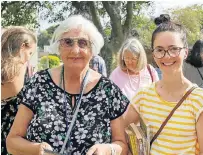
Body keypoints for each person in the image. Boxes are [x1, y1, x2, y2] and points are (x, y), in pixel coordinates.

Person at [6, 15, 129, 155]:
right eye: (68, 42)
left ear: (92, 49)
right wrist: (36, 149)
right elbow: (12, 142)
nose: (75, 50)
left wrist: (107, 150)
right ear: (59, 47)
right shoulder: (38, 83)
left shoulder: (108, 90)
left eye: (83, 43)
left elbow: (122, 145)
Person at [124, 15, 203, 154]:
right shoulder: (143, 96)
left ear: (185, 52)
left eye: (173, 49)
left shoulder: (200, 100)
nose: (167, 56)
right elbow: (121, 133)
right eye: (159, 50)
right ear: (153, 55)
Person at [1, 26, 37, 155]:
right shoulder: (18, 67)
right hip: (12, 126)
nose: (29, 57)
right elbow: (17, 96)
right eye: (30, 52)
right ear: (23, 47)